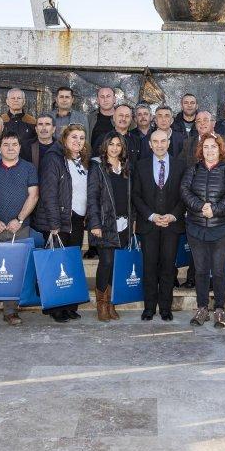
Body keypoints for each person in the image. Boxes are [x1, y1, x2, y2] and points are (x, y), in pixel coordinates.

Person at [180, 131, 225, 328]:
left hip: (222, 229)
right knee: (201, 270)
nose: (209, 150)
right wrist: (200, 207)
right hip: (196, 229)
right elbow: (184, 191)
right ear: (201, 150)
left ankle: (220, 309)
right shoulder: (193, 169)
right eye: (206, 147)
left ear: (220, 149)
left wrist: (214, 209)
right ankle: (202, 308)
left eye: (213, 146)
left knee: (219, 271)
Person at [35, 123, 91, 323]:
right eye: (73, 137)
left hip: (76, 219)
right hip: (58, 220)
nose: (78, 141)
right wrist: (53, 224)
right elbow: (49, 193)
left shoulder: (82, 161)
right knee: (57, 265)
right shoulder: (54, 159)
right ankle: (56, 308)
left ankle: (70, 305)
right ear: (64, 139)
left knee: (71, 265)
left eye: (81, 138)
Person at [0, 130, 39, 328]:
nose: (10, 148)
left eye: (14, 144)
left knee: (15, 270)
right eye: (6, 145)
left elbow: (33, 195)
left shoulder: (29, 168)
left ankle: (10, 311)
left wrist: (19, 219)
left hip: (19, 227)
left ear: (19, 147)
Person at [132, 129, 186, 321]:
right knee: (149, 267)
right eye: (155, 141)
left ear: (169, 142)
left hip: (171, 226)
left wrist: (173, 215)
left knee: (167, 268)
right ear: (150, 144)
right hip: (149, 226)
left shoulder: (181, 166)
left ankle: (165, 308)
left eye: (163, 141)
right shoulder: (140, 166)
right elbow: (136, 196)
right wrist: (151, 215)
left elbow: (184, 195)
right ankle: (148, 308)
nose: (160, 145)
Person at [87, 132, 133, 322]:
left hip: (123, 224)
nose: (115, 148)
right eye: (111, 144)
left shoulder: (126, 167)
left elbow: (130, 197)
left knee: (115, 265)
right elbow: (92, 197)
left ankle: (111, 303)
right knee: (106, 263)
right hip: (105, 224)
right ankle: (101, 304)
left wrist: (132, 221)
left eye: (118, 145)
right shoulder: (97, 167)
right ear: (105, 146)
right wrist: (95, 223)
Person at [88, 86, 118, 151]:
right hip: (93, 159)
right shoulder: (89, 119)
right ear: (98, 100)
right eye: (102, 97)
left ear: (114, 99)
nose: (105, 100)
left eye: (108, 96)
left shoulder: (123, 118)